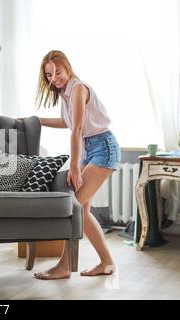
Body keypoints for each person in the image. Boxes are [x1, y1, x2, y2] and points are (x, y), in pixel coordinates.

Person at [33, 50, 120, 280]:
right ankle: (107, 262)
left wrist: (74, 166)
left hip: (103, 147)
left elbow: (78, 129)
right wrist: (37, 121)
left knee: (72, 206)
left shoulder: (78, 88)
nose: (54, 78)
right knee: (81, 208)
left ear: (67, 67)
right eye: (49, 75)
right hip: (90, 148)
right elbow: (67, 122)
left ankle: (64, 266)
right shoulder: (66, 94)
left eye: (57, 72)